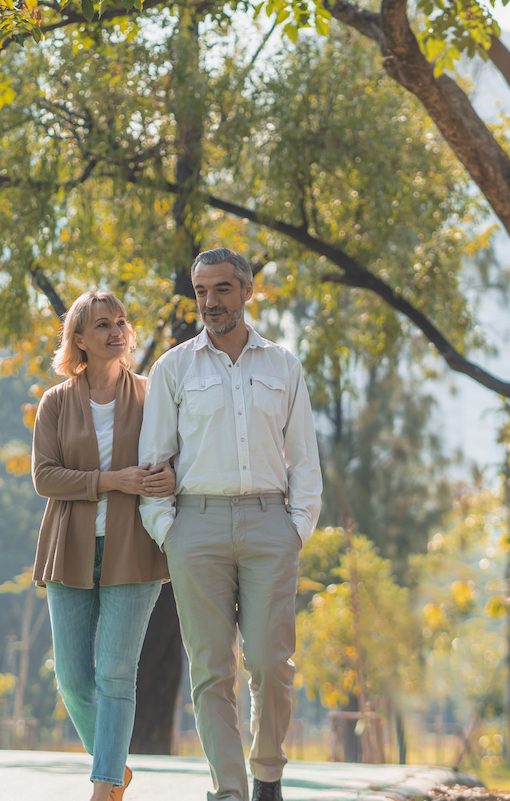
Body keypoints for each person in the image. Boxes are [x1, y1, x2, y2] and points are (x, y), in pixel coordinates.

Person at [139, 248, 322, 801]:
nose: (210, 302)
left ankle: (268, 773)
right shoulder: (173, 368)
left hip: (271, 524)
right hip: (197, 527)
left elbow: (304, 457)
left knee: (271, 662)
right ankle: (230, 791)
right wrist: (168, 529)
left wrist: (298, 526)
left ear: (246, 291)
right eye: (201, 292)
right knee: (212, 670)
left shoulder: (283, 365)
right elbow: (154, 461)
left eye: (222, 289)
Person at [31, 290, 175, 801]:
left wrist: (165, 480)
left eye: (121, 322)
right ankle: (113, 764)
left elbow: (173, 457)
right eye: (102, 326)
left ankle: (105, 784)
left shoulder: (153, 394)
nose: (117, 332)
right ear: (79, 340)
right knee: (72, 679)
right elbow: (45, 478)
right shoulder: (55, 401)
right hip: (67, 548)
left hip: (133, 549)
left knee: (116, 673)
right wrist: (113, 481)